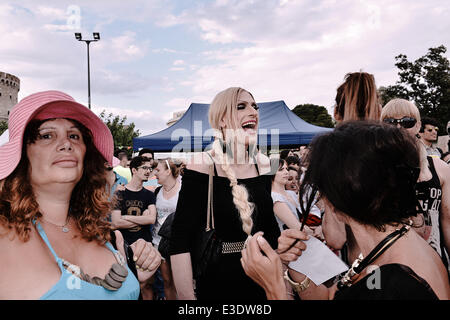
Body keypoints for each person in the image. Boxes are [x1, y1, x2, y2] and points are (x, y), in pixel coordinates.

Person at [241, 121, 450, 300]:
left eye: (323, 190)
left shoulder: (398, 282)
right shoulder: (386, 251)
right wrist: (297, 265)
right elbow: (333, 296)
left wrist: (274, 287)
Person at [0, 90, 161, 299]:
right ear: (21, 154)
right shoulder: (4, 231)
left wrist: (134, 273)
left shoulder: (105, 232)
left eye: (74, 135)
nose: (67, 144)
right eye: (47, 135)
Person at [169, 87, 280, 300]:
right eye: (241, 106)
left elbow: (270, 228)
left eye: (255, 106)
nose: (253, 111)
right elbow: (180, 238)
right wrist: (187, 299)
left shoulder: (265, 165)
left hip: (264, 282)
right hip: (217, 283)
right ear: (222, 120)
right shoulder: (202, 166)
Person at [381, 99, 450, 271]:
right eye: (390, 122)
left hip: (434, 265)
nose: (398, 128)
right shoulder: (374, 170)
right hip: (391, 266)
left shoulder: (440, 168)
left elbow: (447, 223)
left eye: (407, 122)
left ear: (418, 125)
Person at [322, 71, 382, 265]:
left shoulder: (332, 164)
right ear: (379, 111)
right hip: (410, 262)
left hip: (364, 267)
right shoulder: (400, 156)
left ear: (336, 114)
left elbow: (335, 239)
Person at [111, 155, 157, 299]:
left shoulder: (149, 194)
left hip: (145, 244)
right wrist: (141, 218)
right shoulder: (120, 193)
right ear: (134, 170)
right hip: (124, 247)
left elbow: (151, 219)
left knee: (147, 285)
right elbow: (116, 223)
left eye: (150, 168)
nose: (148, 171)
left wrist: (126, 217)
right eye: (144, 168)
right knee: (130, 284)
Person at [152, 158, 181, 300]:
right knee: (167, 281)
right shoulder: (157, 191)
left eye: (158, 170)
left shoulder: (183, 189)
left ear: (168, 171)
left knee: (181, 283)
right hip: (159, 242)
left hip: (178, 243)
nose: (154, 173)